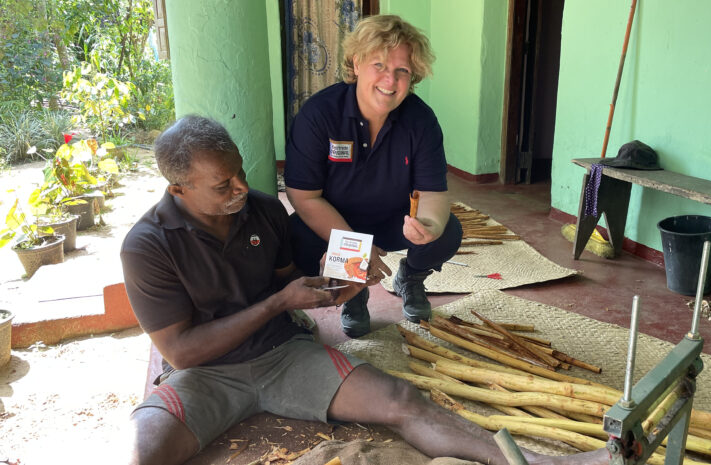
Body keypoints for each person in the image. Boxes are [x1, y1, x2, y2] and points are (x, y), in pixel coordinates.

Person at [120, 116, 609, 465]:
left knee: (401, 399)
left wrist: (334, 290)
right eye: (222, 184)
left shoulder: (265, 211)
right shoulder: (146, 246)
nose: (241, 188)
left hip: (281, 353)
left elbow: (286, 284)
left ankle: (549, 463)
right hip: (206, 374)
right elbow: (182, 353)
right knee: (147, 449)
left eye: (241, 172)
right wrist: (279, 302)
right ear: (178, 188)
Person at [285, 14, 463, 338]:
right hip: (337, 220)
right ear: (355, 63)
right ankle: (355, 292)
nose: (390, 80)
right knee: (294, 237)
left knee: (448, 231)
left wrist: (430, 225)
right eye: (378, 65)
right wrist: (353, 246)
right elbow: (304, 197)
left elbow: (433, 192)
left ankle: (410, 277)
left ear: (413, 77)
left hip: (393, 222)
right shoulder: (319, 115)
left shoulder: (420, 121)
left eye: (402, 71)